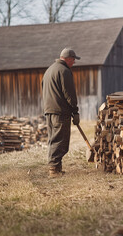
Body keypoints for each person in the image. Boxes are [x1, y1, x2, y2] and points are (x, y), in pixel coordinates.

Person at [42, 48, 80, 177]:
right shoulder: (64, 71)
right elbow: (69, 94)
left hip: (49, 110)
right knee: (60, 140)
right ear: (68, 58)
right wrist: (75, 111)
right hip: (60, 111)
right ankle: (53, 169)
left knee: (53, 139)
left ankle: (57, 168)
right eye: (73, 59)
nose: (74, 62)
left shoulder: (49, 70)